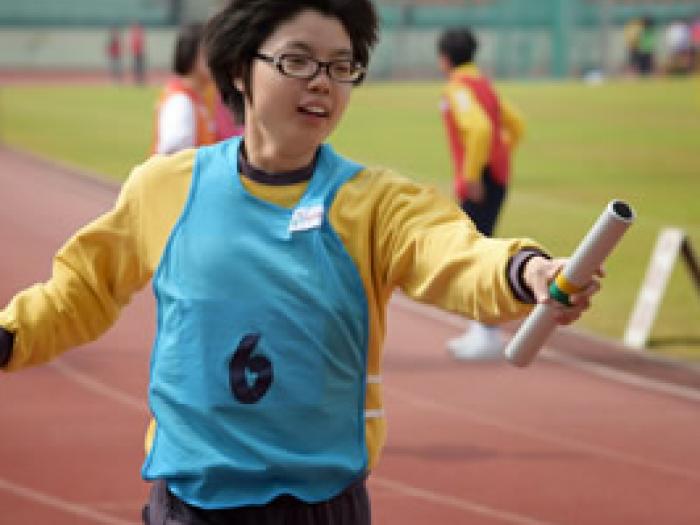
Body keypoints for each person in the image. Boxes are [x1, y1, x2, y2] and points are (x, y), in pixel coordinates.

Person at [0, 1, 601, 523]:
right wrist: (11, 336)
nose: (322, 83)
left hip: (322, 505)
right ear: (241, 68)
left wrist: (527, 270)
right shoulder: (165, 188)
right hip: (191, 502)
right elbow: (83, 287)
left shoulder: (375, 204)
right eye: (298, 61)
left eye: (341, 66)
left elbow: (454, 253)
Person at [437, 27, 526, 360]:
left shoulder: (458, 88)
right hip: (495, 177)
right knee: (477, 249)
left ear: (444, 59)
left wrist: (473, 173)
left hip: (482, 181)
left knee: (476, 255)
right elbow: (517, 125)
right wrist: (501, 156)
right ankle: (481, 329)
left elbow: (479, 129)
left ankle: (488, 332)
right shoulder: (484, 84)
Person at [152, 23, 218, 154]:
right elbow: (173, 154)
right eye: (208, 53)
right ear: (190, 55)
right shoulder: (181, 102)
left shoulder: (196, 98)